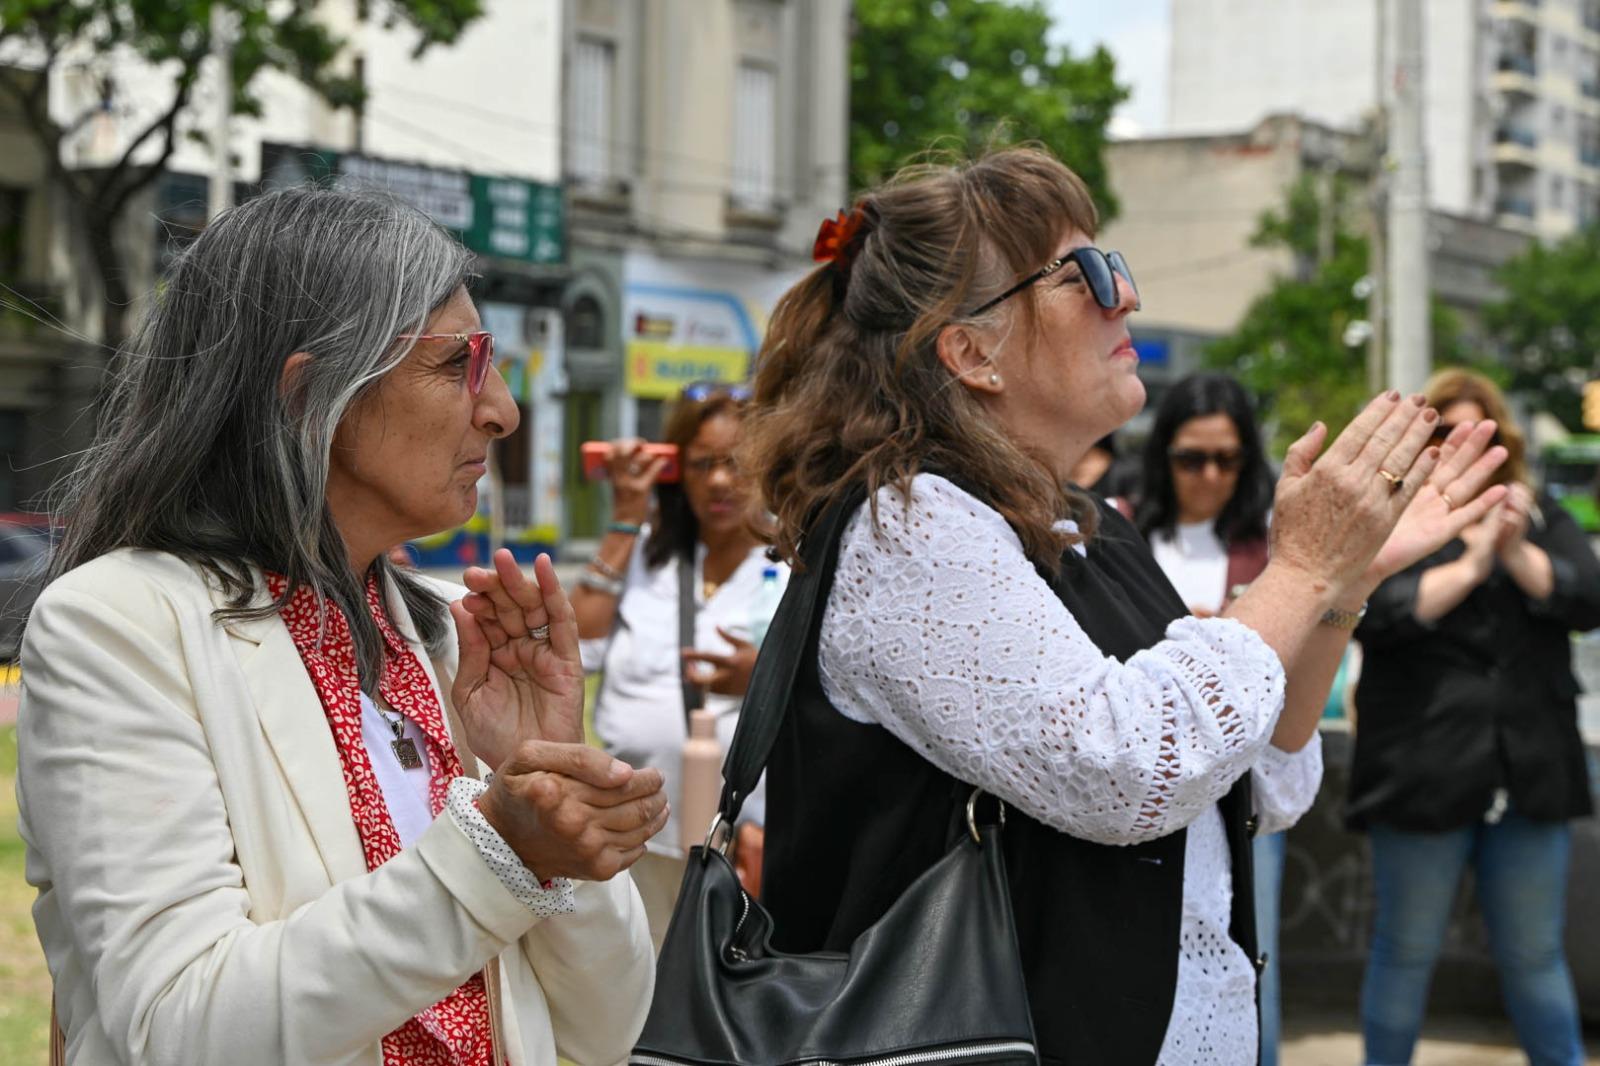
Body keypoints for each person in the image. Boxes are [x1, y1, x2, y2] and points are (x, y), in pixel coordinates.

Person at [738, 147, 1509, 1066]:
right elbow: (1126, 767)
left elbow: (1255, 771)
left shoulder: (1088, 523)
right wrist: (1300, 570)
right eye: (1088, 274)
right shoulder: (908, 523)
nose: (1126, 297)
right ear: (971, 350)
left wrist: (1345, 583)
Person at [16, 186, 665, 1066]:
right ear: (309, 394)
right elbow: (181, 1027)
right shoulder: (121, 626)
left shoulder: (440, 637)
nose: (502, 409)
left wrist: (537, 793)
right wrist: (497, 851)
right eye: (457, 364)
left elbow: (604, 1030)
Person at [1347, 368, 1600, 1066]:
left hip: (1527, 769)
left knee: (1534, 954)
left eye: (1477, 436)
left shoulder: (1539, 511)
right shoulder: (1395, 520)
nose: (1461, 449)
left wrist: (1514, 549)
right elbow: (1380, 615)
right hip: (1421, 770)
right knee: (1405, 950)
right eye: (1445, 435)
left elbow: (1587, 600)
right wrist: (1473, 560)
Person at [572, 383, 787, 947]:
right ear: (677, 472)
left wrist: (760, 681)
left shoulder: (791, 568)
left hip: (743, 841)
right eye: (701, 465)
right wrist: (625, 518)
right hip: (632, 838)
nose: (719, 481)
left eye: (736, 463)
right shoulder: (645, 555)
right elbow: (574, 649)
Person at [1131, 372, 1287, 1066]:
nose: (1211, 475)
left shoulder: (1269, 543)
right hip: (1146, 781)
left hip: (1245, 783)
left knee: (1252, 962)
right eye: (1193, 458)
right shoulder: (1123, 527)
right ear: (1163, 456)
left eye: (1228, 459)